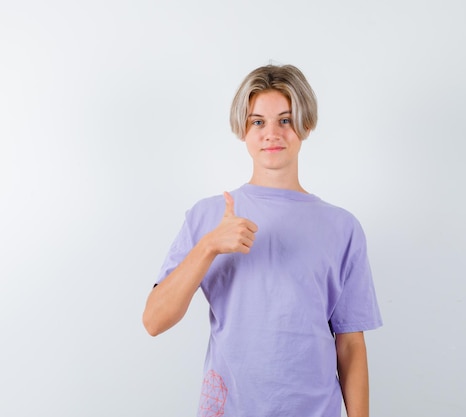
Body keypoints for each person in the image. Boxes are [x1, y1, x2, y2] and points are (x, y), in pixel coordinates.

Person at [142, 64, 382, 417]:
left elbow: (350, 346)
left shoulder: (342, 228)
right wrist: (209, 246)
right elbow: (154, 320)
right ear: (243, 129)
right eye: (258, 122)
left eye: (285, 120)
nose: (272, 133)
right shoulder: (208, 216)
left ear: (306, 125)